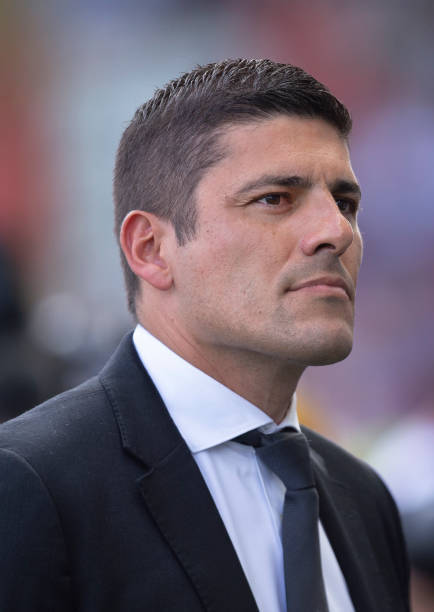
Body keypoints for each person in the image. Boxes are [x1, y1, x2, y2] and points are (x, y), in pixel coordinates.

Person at [0, 59, 409, 611]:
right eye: (275, 198)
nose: (336, 231)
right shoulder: (33, 482)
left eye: (346, 203)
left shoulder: (365, 499)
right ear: (150, 249)